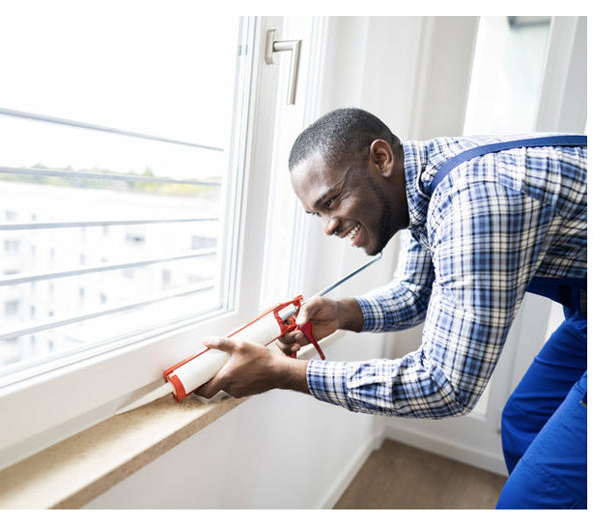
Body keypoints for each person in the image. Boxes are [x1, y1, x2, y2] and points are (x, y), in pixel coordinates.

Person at [196, 108, 587, 509]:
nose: (328, 226)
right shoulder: (426, 185)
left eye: (332, 201)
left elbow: (445, 386)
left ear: (381, 159)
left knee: (533, 498)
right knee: (526, 422)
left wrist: (287, 374)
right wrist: (345, 312)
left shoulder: (476, 201)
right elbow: (417, 292)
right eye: (318, 213)